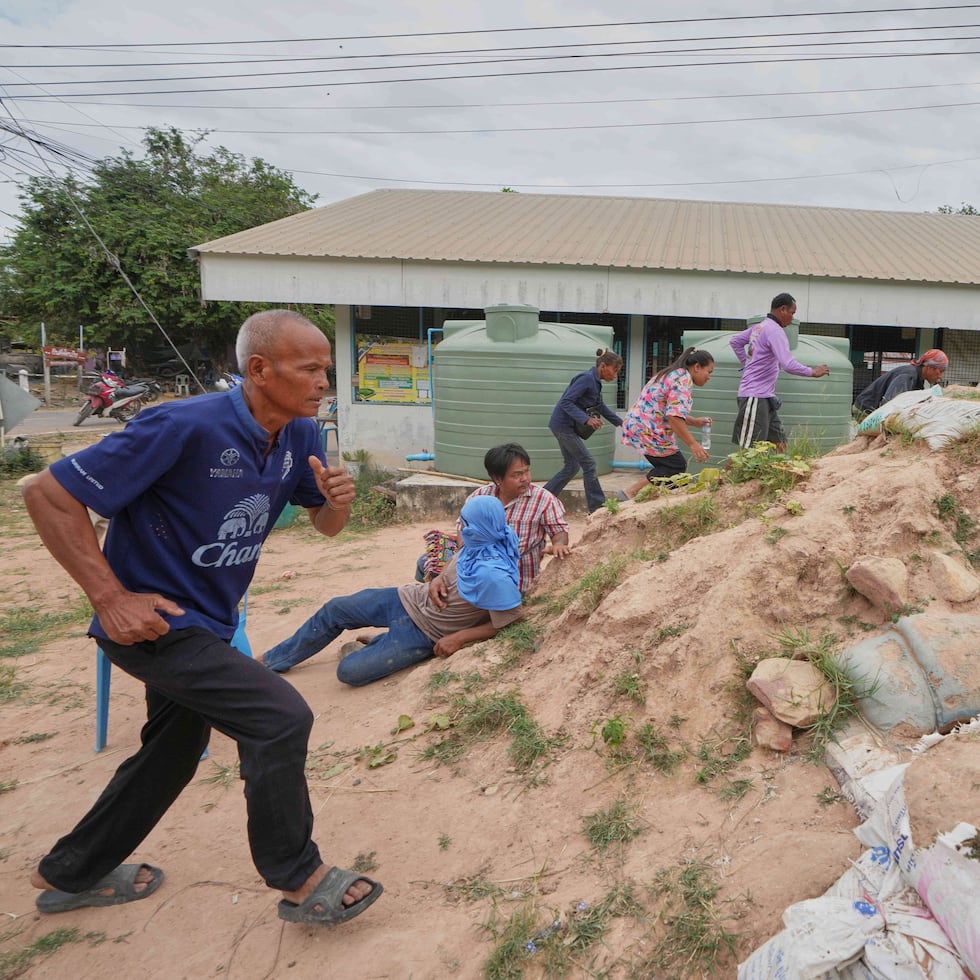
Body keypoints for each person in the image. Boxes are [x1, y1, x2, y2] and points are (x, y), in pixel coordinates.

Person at [20, 309, 383, 928]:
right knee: (278, 716)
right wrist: (110, 598)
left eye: (327, 368)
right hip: (154, 625)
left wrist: (337, 504)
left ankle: (70, 871)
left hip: (210, 621)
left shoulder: (299, 434)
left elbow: (325, 526)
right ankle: (299, 876)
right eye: (310, 367)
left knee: (173, 750)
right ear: (260, 369)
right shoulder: (182, 424)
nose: (325, 380)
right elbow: (46, 494)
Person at [262, 496, 523, 683]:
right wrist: (437, 579)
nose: (459, 526)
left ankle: (379, 644)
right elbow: (451, 565)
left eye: (463, 522)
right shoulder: (478, 540)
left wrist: (459, 638)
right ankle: (273, 661)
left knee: (349, 672)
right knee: (336, 608)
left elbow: (507, 621)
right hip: (407, 598)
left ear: (477, 527)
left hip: (425, 634)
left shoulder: (494, 575)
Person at [415, 443, 570, 593]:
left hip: (516, 580)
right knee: (426, 563)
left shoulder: (544, 499)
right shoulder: (480, 496)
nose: (525, 479)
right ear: (497, 478)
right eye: (516, 475)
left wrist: (559, 544)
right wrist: (464, 554)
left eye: (526, 471)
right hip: (478, 570)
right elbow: (463, 528)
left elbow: (559, 531)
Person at [730, 293, 830, 453]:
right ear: (783, 309)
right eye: (792, 313)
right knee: (749, 451)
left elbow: (735, 342)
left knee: (780, 443)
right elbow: (788, 364)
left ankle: (783, 474)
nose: (792, 318)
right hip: (754, 397)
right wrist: (813, 372)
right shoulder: (775, 331)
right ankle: (728, 477)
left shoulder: (760, 327)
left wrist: (747, 363)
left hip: (765, 398)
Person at [619, 347, 714, 499]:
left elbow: (670, 411)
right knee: (675, 467)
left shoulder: (671, 373)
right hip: (648, 428)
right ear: (697, 367)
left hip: (639, 425)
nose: (709, 377)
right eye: (709, 372)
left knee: (672, 472)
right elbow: (674, 417)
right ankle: (632, 491)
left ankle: (649, 497)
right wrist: (693, 444)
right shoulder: (683, 380)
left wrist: (695, 422)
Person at [543, 348, 624, 513]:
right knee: (589, 463)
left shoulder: (595, 382)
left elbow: (600, 407)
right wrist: (586, 419)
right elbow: (566, 402)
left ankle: (543, 498)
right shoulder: (586, 379)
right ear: (603, 366)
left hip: (565, 426)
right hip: (563, 426)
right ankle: (596, 507)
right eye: (614, 370)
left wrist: (622, 424)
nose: (615, 375)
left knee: (571, 467)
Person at [854, 349, 949, 412]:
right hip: (863, 410)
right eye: (940, 371)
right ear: (929, 367)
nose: (940, 376)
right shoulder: (908, 376)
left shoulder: (918, 380)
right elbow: (889, 404)